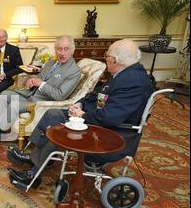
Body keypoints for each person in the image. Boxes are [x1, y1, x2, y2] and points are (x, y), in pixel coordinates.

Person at [8, 39, 154, 190]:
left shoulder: (132, 81)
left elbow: (110, 118)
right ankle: (34, 159)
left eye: (107, 55)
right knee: (53, 114)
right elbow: (96, 95)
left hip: (111, 135)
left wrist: (82, 115)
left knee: (59, 127)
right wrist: (79, 104)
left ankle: (34, 174)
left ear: (115, 60)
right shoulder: (124, 74)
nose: (106, 58)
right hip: (98, 120)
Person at [0, 36, 81, 149]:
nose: (62, 53)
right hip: (30, 94)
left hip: (42, 102)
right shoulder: (51, 63)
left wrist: (41, 83)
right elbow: (40, 77)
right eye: (59, 49)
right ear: (55, 49)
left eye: (66, 49)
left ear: (72, 50)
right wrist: (31, 81)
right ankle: (0, 129)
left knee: (14, 105)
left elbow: (60, 95)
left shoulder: (74, 71)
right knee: (4, 95)